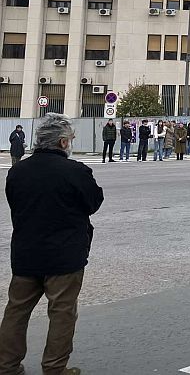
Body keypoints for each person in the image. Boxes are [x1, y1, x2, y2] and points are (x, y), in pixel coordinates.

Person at [0, 113, 103, 375]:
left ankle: (7, 366)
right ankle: (55, 368)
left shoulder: (18, 171)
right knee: (62, 313)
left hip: (25, 253)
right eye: (70, 138)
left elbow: (15, 204)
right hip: (64, 256)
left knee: (16, 311)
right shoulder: (75, 171)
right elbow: (93, 203)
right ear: (62, 143)